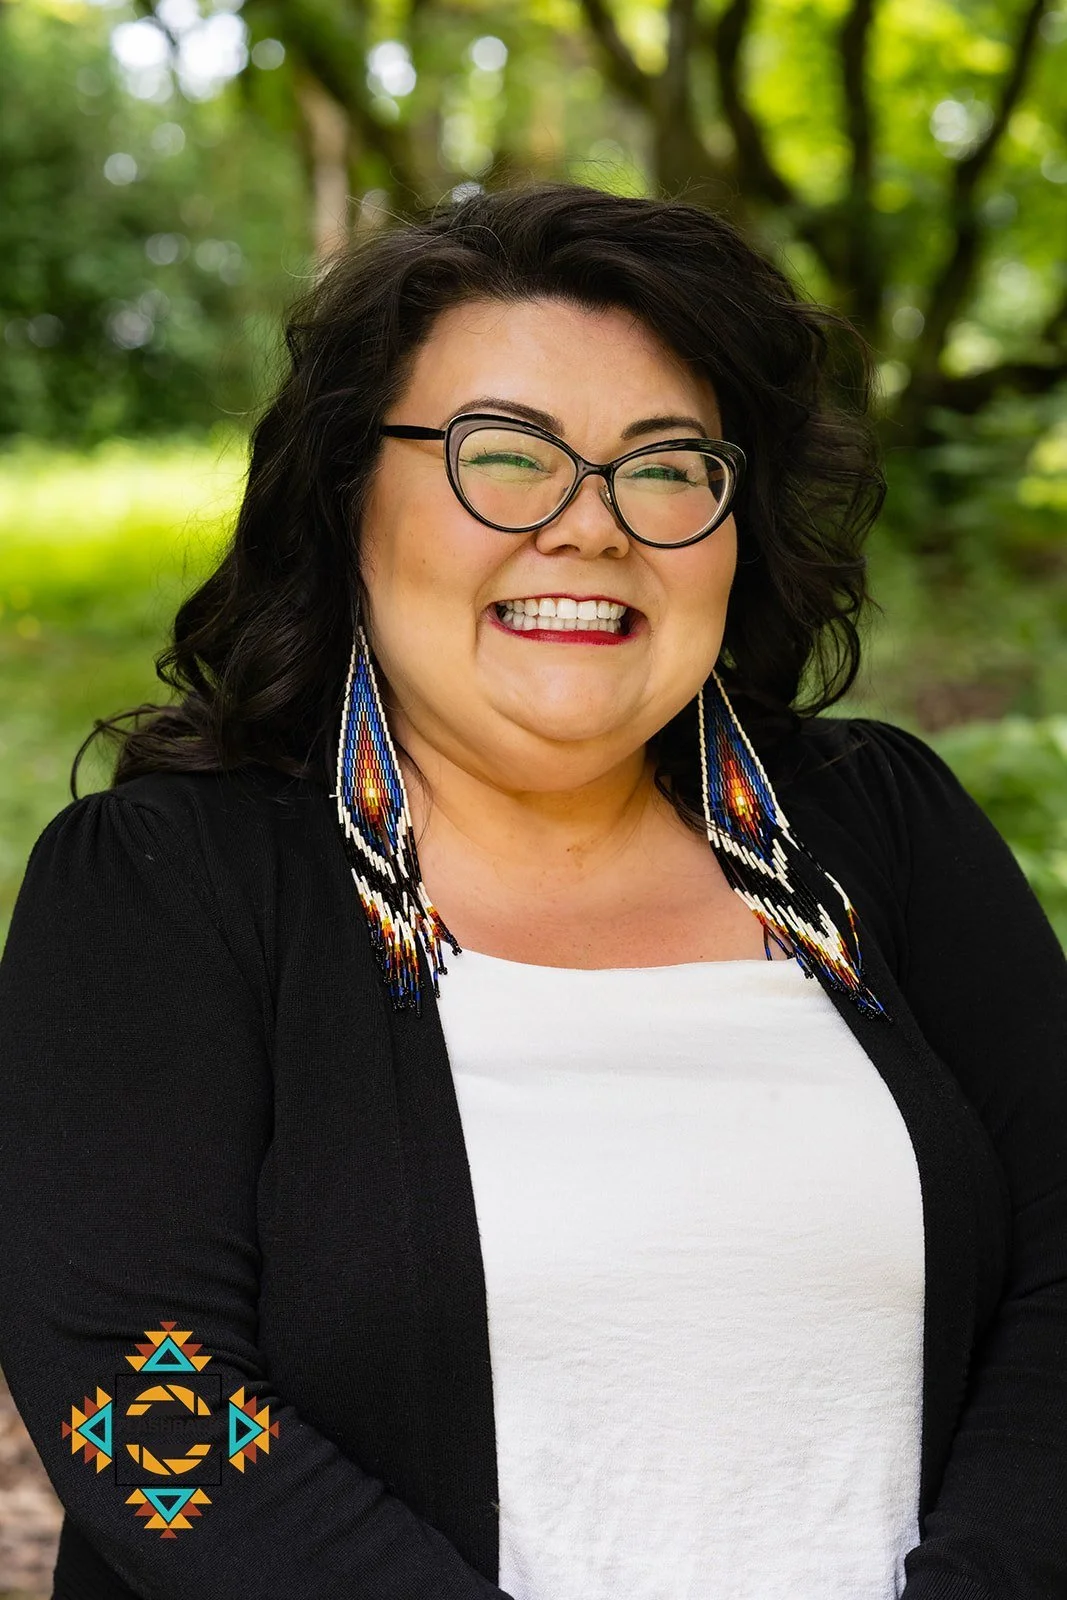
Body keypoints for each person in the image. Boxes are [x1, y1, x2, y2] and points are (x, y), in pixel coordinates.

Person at [0, 182, 1064, 1600]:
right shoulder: (161, 892)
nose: (590, 526)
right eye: (503, 455)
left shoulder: (883, 832)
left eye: (666, 464)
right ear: (345, 496)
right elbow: (139, 1399)